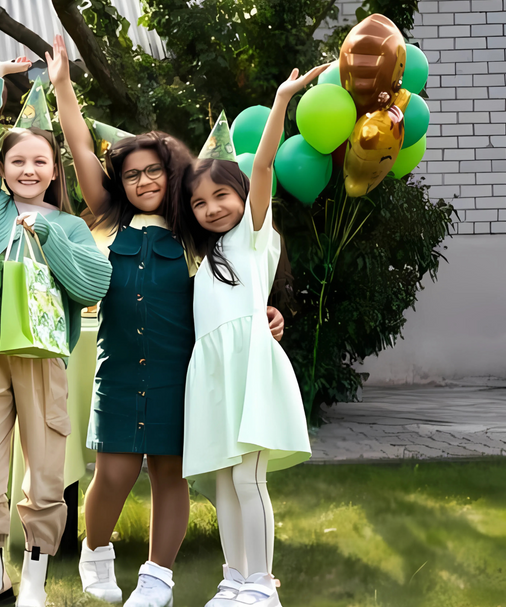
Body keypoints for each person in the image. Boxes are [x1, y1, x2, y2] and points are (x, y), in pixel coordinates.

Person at [45, 36, 287, 607]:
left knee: (170, 477)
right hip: (121, 372)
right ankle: (95, 554)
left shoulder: (196, 235)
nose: (144, 182)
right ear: (119, 184)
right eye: (132, 176)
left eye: (154, 171)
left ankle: (156, 579)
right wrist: (61, 86)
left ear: (170, 174)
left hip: (184, 377)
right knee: (112, 475)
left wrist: (266, 313)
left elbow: (239, 275)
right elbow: (79, 145)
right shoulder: (107, 225)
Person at [0, 58, 112, 607]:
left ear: (52, 171)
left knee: (46, 472)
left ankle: (36, 582)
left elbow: (93, 285)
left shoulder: (68, 224)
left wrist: (50, 234)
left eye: (38, 161)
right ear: (1, 171)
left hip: (43, 357)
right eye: (17, 160)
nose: (27, 169)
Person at [180, 66, 327, 607]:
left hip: (249, 369)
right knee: (222, 485)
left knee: (248, 481)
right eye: (199, 203)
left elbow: (263, 162)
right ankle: (234, 577)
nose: (212, 207)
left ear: (241, 195)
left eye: (221, 195)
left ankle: (262, 583)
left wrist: (282, 99)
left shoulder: (253, 234)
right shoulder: (203, 257)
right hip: (214, 372)